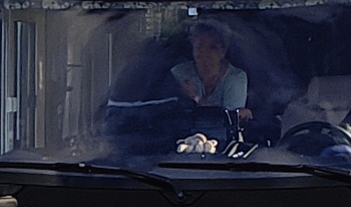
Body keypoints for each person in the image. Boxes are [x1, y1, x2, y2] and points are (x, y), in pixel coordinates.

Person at [108, 15, 270, 156]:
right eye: (198, 46)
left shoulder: (236, 77)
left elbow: (228, 119)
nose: (203, 52)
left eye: (211, 47)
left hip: (225, 149)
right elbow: (170, 113)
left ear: (223, 50)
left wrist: (195, 98)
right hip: (179, 143)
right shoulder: (178, 72)